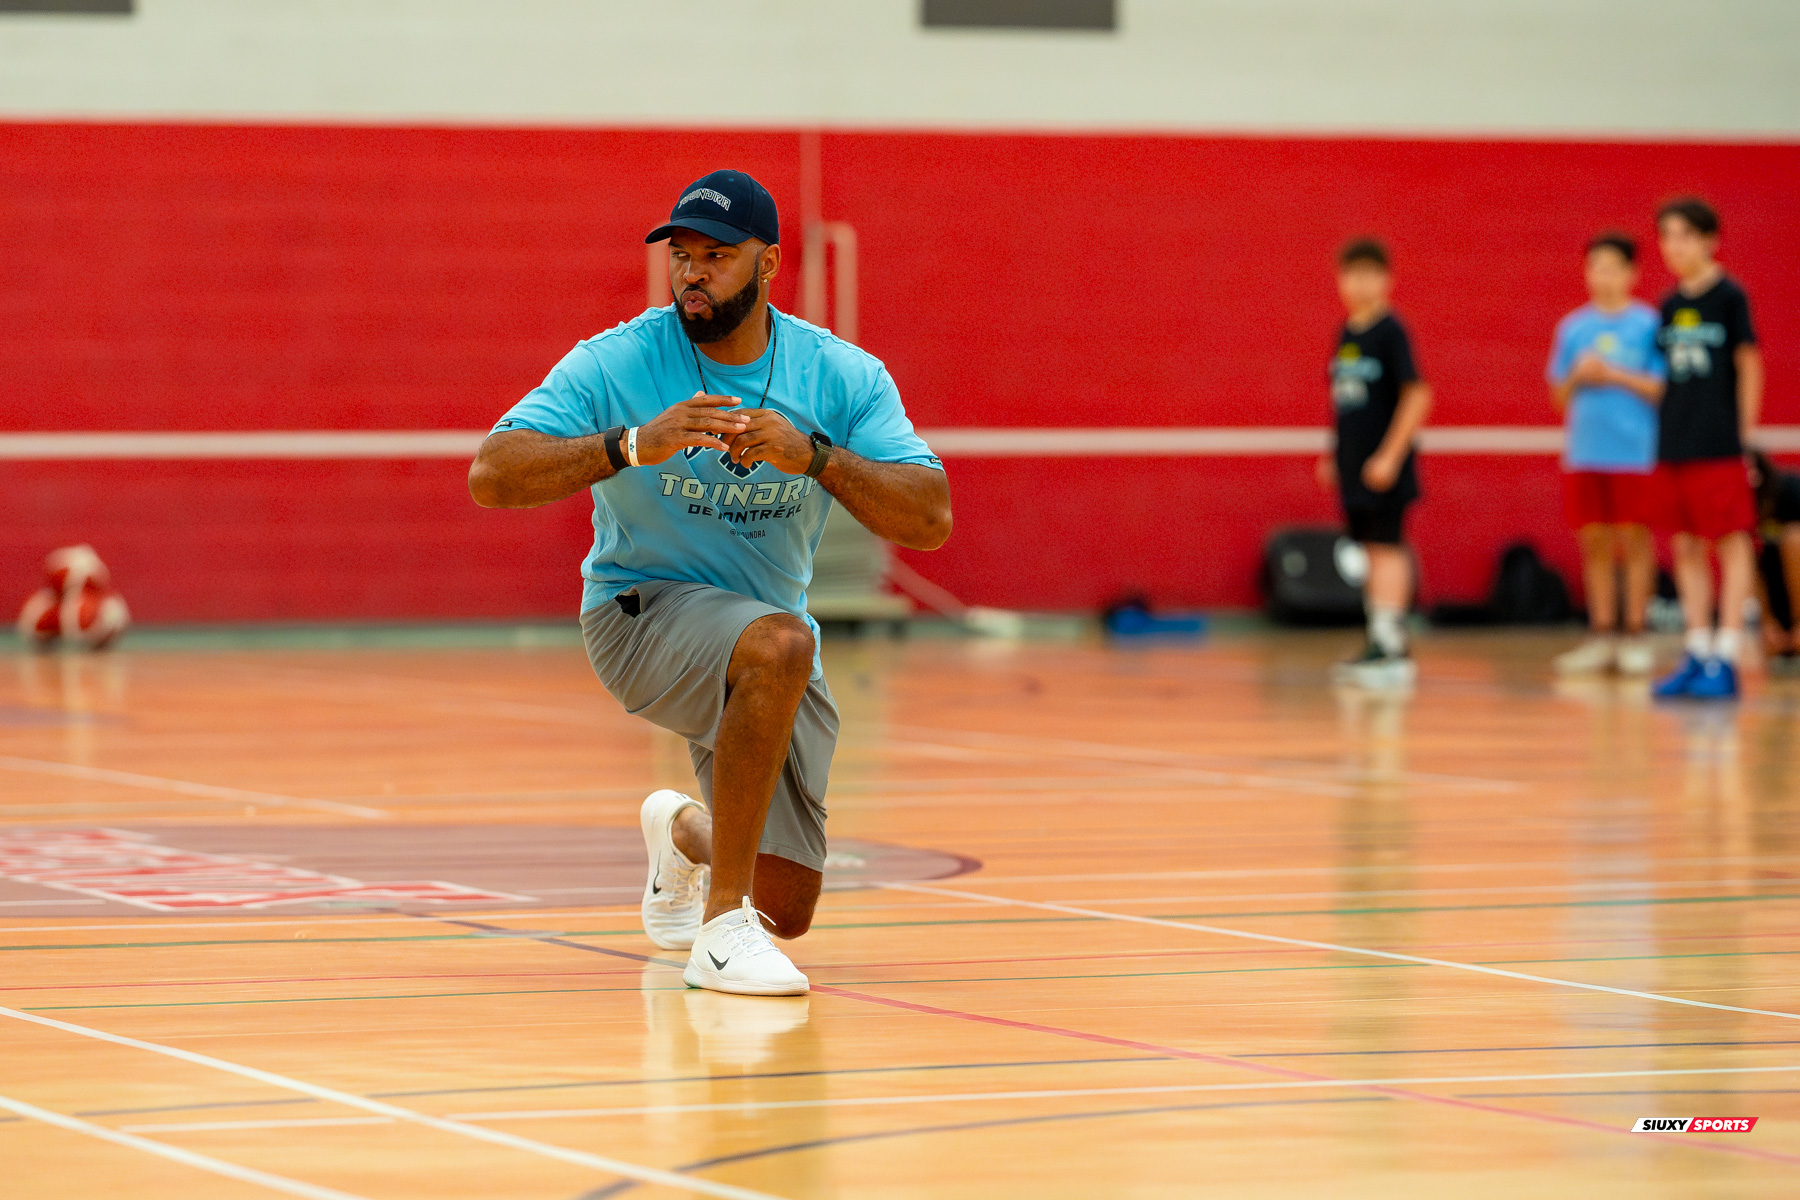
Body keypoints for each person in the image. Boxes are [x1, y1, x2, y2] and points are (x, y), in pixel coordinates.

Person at [468, 170, 951, 994]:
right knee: (780, 641)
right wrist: (627, 446)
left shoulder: (840, 375)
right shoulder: (618, 361)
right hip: (639, 615)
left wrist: (817, 457)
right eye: (682, 255)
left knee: (789, 909)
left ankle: (684, 834)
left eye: (717, 256)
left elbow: (930, 518)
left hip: (762, 638)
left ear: (767, 266)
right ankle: (718, 933)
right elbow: (491, 473)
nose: (693, 272)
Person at [1648, 197, 1763, 700]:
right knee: (1685, 544)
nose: (1674, 247)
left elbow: (1750, 364)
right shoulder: (1669, 306)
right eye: (1667, 236)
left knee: (1732, 542)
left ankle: (1729, 651)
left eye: (1684, 235)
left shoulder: (1729, 297)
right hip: (1674, 441)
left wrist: (1744, 435)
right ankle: (1697, 649)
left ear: (1709, 240)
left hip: (1719, 443)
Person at [1546, 231, 1666, 676]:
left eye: (1614, 267)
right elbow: (1559, 397)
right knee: (1593, 543)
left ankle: (1635, 633)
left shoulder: (1649, 325)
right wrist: (1578, 375)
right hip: (1585, 453)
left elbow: (1661, 388)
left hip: (1635, 453)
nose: (1604, 276)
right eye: (1596, 266)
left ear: (1632, 273)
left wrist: (1614, 373)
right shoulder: (1574, 328)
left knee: (1634, 541)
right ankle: (1601, 633)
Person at [1317, 238, 1434, 687]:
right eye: (1351, 274)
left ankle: (1393, 645)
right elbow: (1343, 402)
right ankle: (1375, 638)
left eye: (1370, 275)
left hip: (1385, 465)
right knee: (1367, 549)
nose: (1359, 285)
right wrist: (1334, 452)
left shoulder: (1391, 331)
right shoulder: (1346, 332)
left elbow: (1418, 393)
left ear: (1387, 280)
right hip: (1353, 465)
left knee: (1388, 546)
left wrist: (1389, 454)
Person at [1750, 449, 1800, 673]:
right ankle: (1776, 631)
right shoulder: (1743, 508)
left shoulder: (1790, 490)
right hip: (1777, 609)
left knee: (1793, 539)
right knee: (1745, 548)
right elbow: (1752, 568)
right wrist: (1767, 621)